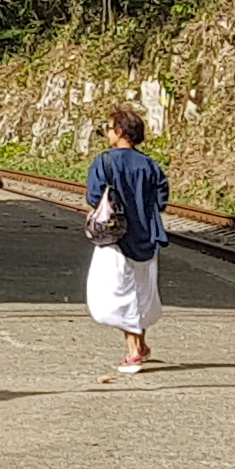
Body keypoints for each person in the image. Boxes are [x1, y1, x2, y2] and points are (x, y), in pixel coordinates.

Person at [83, 104, 170, 371]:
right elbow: (162, 199)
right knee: (141, 293)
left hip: (115, 237)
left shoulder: (105, 161)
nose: (107, 134)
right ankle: (140, 344)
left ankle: (133, 353)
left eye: (108, 129)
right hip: (147, 235)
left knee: (119, 294)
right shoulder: (151, 165)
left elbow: (93, 197)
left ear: (119, 131)